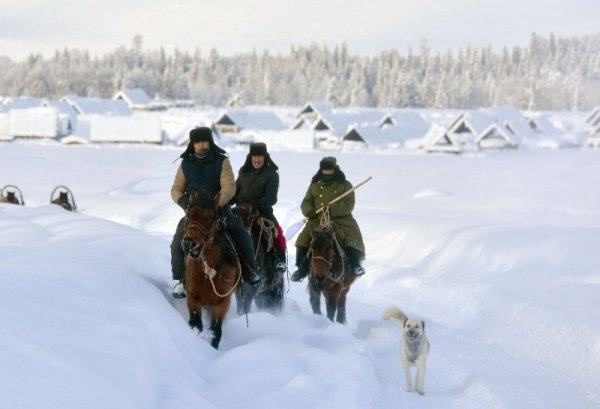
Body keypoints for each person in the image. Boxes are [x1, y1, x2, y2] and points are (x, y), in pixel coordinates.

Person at [170, 127, 261, 298]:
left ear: (210, 142)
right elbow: (176, 189)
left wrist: (217, 203)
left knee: (242, 235)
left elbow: (229, 186)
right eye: (198, 142)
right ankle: (181, 280)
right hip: (194, 214)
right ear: (193, 144)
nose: (202, 145)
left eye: (205, 141)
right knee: (177, 242)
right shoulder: (185, 164)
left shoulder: (222, 161)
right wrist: (184, 202)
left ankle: (250, 272)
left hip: (219, 211)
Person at [290, 156, 366, 282]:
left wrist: (331, 209)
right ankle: (301, 269)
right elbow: (306, 201)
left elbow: (349, 204)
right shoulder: (314, 185)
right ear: (321, 170)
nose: (327, 173)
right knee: (302, 239)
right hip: (317, 219)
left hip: (340, 219)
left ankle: (355, 265)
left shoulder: (345, 185)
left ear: (335, 170)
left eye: (330, 170)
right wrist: (309, 210)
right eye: (325, 170)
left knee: (352, 237)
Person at [231, 142, 287, 274]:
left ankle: (280, 260)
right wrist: (227, 202)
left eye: (260, 157)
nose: (257, 160)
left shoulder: (272, 174)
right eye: (254, 156)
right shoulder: (243, 172)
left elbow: (272, 198)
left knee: (276, 232)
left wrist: (254, 204)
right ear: (250, 157)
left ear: (265, 157)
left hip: (263, 212)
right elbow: (234, 191)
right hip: (240, 211)